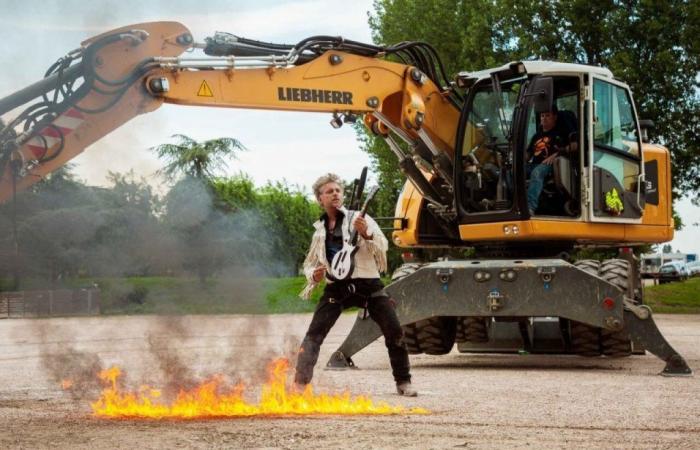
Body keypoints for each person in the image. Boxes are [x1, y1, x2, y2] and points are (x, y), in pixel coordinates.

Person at [295, 173, 417, 396]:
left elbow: (383, 247)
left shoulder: (360, 218)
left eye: (338, 190)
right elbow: (310, 263)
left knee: (394, 330)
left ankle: (403, 381)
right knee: (314, 335)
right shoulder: (320, 231)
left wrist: (366, 234)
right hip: (337, 287)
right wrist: (315, 275)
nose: (335, 194)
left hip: (368, 284)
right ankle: (300, 385)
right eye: (329, 191)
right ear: (319, 199)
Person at [526, 105, 576, 215]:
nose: (544, 118)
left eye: (548, 115)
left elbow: (574, 146)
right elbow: (528, 155)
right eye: (542, 116)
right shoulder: (536, 136)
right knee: (512, 171)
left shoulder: (559, 134)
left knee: (537, 172)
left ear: (555, 117)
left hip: (550, 166)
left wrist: (558, 153)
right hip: (534, 164)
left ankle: (530, 207)